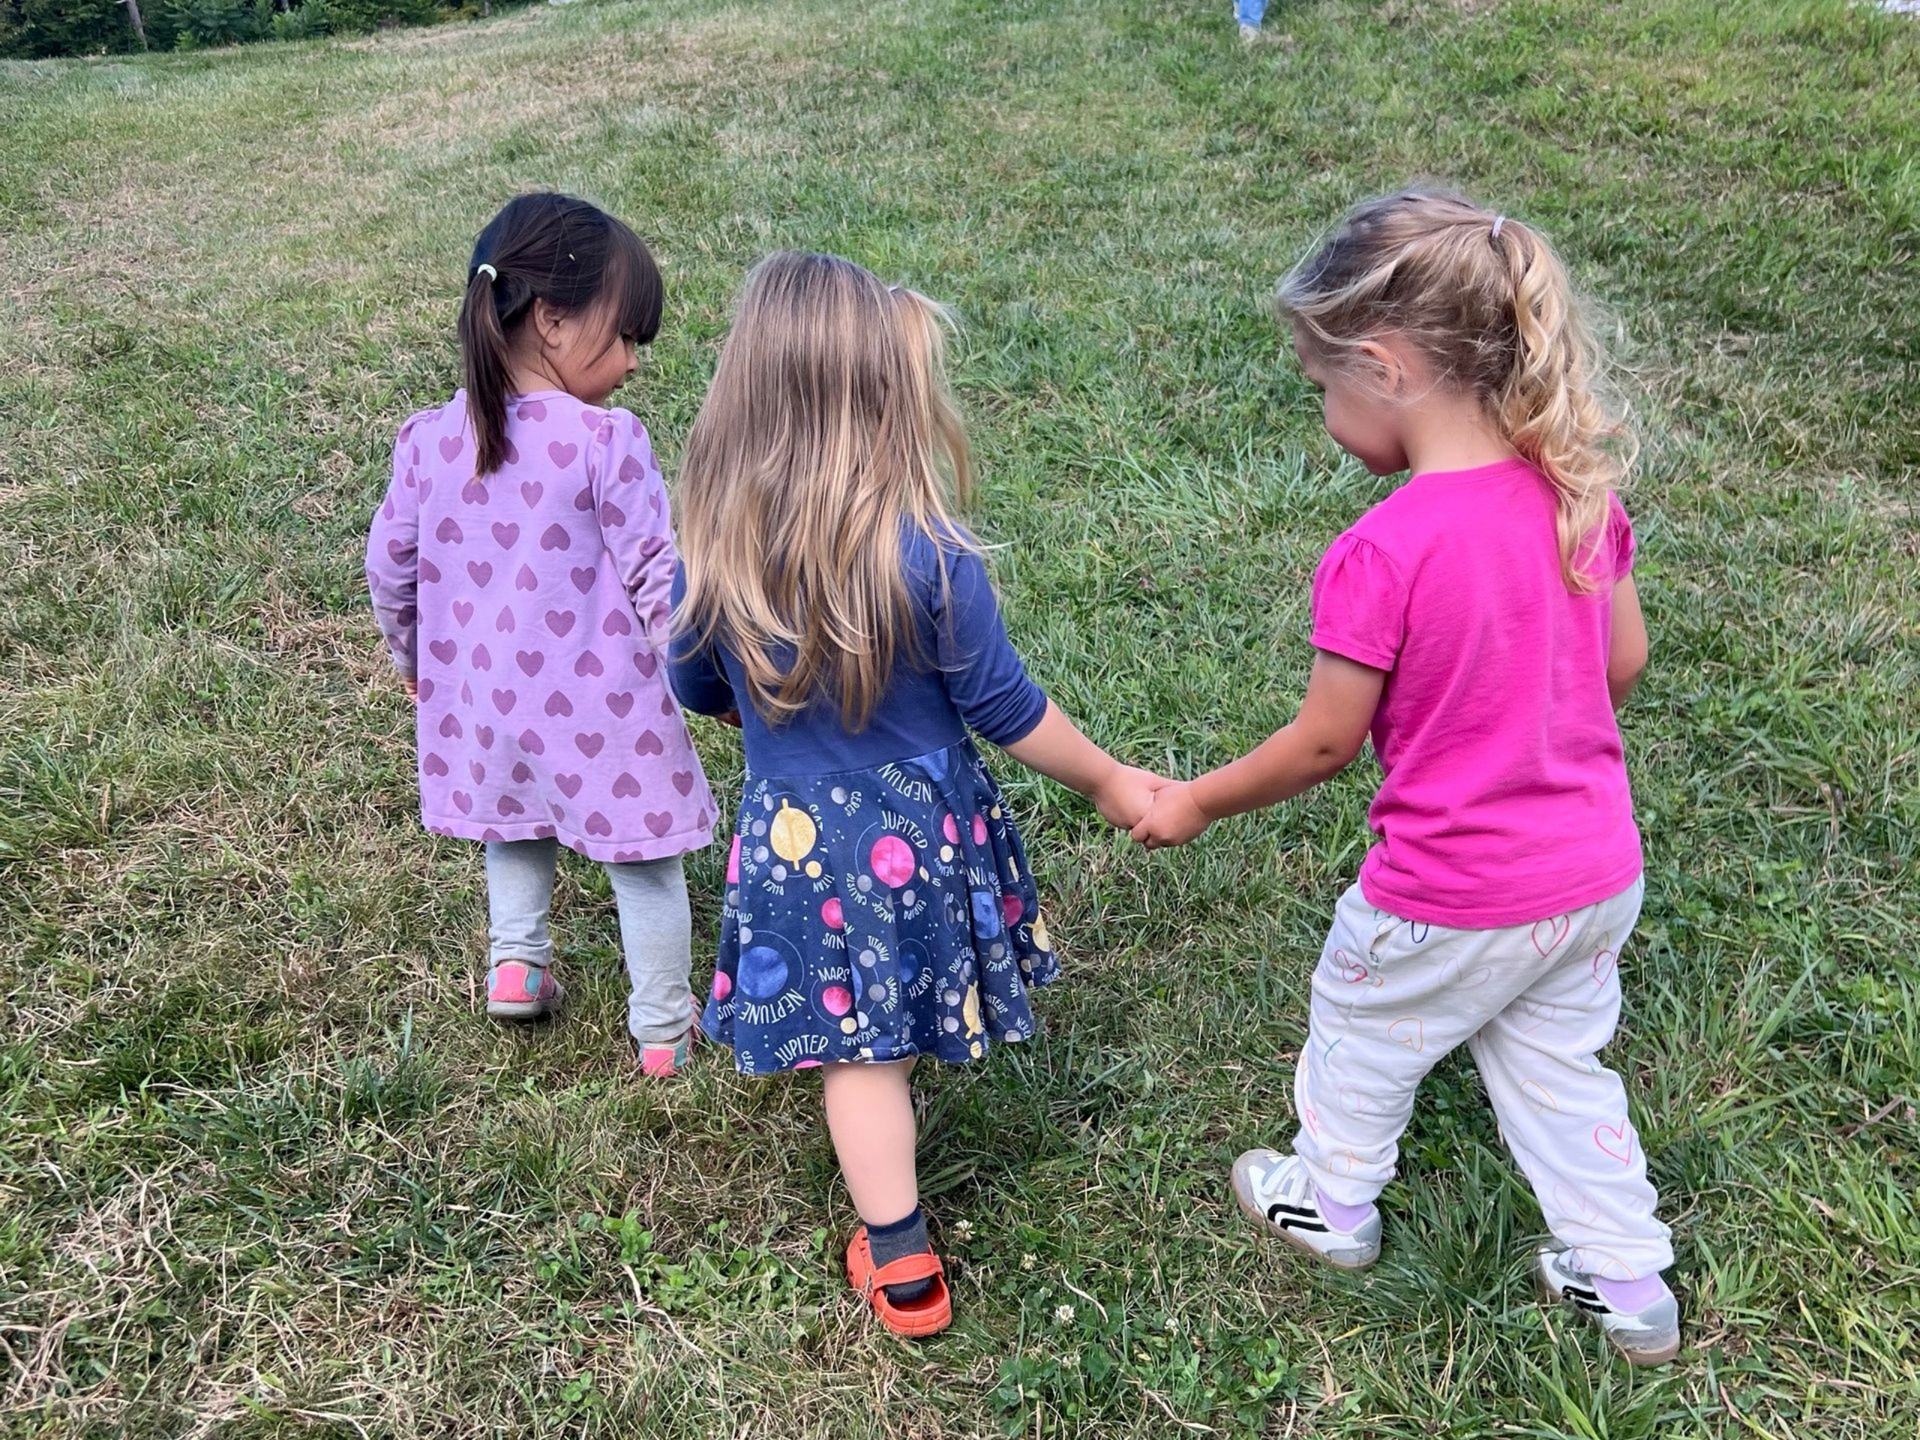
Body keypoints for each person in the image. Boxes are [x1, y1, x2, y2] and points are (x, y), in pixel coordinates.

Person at [1136, 189, 1679, 1366]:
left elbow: (1328, 741)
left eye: (1324, 387)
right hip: (1593, 874)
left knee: (1363, 1023)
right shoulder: (1581, 494)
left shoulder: (1385, 549)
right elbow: (1621, 660)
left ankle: (1331, 1199)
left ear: (1384, 367)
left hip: (1450, 887)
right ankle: (1626, 1273)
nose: (1327, 411)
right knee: (1552, 1063)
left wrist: (1196, 797)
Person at [670, 252, 1164, 1336]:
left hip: (801, 837)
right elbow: (1006, 705)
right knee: (885, 1030)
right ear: (887, 404)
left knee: (858, 1057)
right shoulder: (931, 553)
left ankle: (899, 1261)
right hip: (926, 831)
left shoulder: (713, 555)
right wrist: (1110, 778)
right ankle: (901, 1239)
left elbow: (693, 684)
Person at [366, 192, 713, 1075]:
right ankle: (664, 1033)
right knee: (645, 858)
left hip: (481, 698)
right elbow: (654, 578)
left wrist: (414, 662)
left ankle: (516, 966)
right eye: (627, 336)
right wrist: (696, 669)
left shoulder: (429, 440)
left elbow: (388, 565)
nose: (634, 362)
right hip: (602, 701)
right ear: (553, 319)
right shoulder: (605, 441)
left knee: (512, 823)